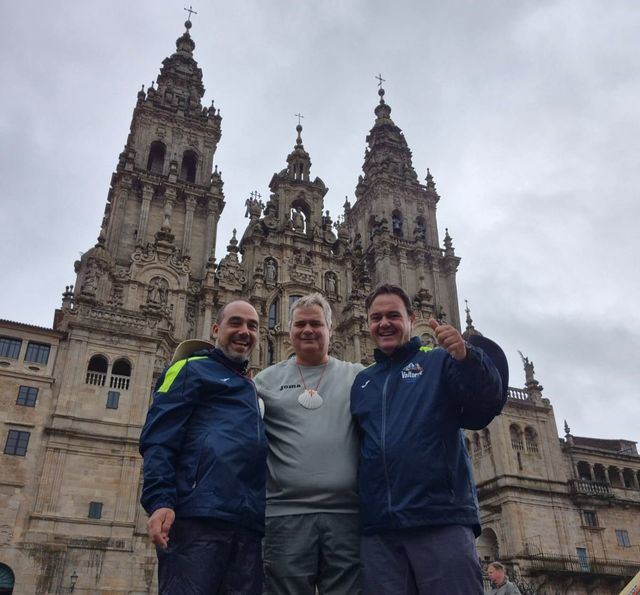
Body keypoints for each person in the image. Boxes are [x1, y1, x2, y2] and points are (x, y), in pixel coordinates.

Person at [351, 284, 508, 594]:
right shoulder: (363, 381)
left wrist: (467, 357)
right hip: (381, 531)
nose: (384, 323)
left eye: (393, 315)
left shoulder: (439, 361)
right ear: (367, 323)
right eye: (376, 317)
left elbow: (482, 407)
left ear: (411, 319)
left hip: (439, 519)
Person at [139, 300, 267, 595]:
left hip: (247, 525)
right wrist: (160, 500)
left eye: (252, 326)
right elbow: (159, 437)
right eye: (235, 323)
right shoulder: (188, 369)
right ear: (215, 329)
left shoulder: (250, 387)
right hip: (198, 519)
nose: (244, 331)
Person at [254, 293, 364, 595]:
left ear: (331, 328)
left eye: (316, 323)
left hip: (346, 517)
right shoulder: (264, 381)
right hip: (284, 516)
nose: (307, 330)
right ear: (289, 329)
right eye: (300, 324)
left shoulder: (358, 377)